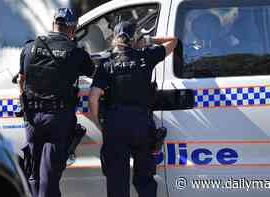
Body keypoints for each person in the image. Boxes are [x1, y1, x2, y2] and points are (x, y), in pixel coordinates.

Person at [88, 21, 178, 197]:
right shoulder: (146, 56)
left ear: (115, 38)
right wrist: (148, 39)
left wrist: (99, 124)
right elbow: (173, 41)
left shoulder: (107, 63)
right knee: (145, 179)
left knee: (117, 182)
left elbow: (93, 98)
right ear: (134, 37)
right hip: (141, 124)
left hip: (115, 125)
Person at [18, 8, 95, 197]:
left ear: (53, 24)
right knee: (49, 176)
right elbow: (94, 72)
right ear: (72, 28)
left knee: (33, 172)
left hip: (32, 118)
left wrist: (27, 103)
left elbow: (21, 80)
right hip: (57, 120)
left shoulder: (30, 47)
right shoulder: (75, 52)